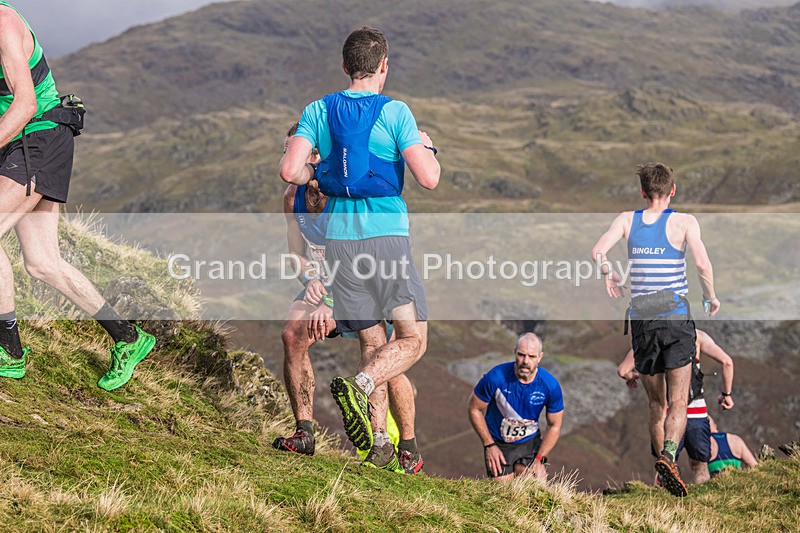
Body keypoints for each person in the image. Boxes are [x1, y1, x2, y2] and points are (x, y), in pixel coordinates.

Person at [280, 27, 440, 471]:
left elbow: (291, 170)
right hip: (386, 237)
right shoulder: (395, 112)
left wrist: (322, 166)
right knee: (412, 339)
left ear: (345, 66)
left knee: (372, 339)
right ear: (383, 65)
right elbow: (429, 178)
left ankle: (378, 449)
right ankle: (361, 384)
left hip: (341, 247)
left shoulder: (317, 109)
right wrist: (428, 147)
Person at [0, 2, 155, 389]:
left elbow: (24, 103)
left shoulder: (2, 23)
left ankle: (10, 350)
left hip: (38, 135)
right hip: (23, 143)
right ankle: (128, 337)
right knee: (42, 262)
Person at [273, 123, 423, 474]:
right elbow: (296, 253)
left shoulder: (342, 193)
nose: (285, 159)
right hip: (324, 284)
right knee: (291, 335)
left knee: (384, 361)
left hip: (362, 282)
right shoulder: (290, 198)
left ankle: (407, 447)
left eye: (290, 151)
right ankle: (305, 432)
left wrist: (330, 303)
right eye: (283, 151)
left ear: (314, 156)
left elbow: (359, 257)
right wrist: (310, 279)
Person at [591, 163, 719, 497]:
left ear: (643, 192)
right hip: (675, 317)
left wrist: (610, 273)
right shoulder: (685, 222)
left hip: (643, 320)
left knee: (656, 404)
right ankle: (670, 457)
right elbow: (703, 264)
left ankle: (662, 474)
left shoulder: (627, 219)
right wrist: (710, 296)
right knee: (679, 401)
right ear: (673, 190)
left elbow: (598, 251)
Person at [618, 329, 735, 484]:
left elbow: (623, 370)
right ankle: (703, 504)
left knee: (664, 467)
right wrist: (726, 394)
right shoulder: (696, 336)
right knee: (700, 467)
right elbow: (727, 362)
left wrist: (633, 377)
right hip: (696, 412)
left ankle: (661, 504)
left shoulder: (647, 337)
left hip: (666, 417)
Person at [467, 333, 564, 481]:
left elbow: (555, 425)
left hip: (529, 443)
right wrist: (489, 445)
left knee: (535, 489)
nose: (525, 361)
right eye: (521, 355)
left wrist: (539, 459)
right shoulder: (496, 377)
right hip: (499, 443)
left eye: (531, 356)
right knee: (504, 495)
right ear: (514, 353)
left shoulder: (550, 385)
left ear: (540, 357)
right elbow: (474, 408)